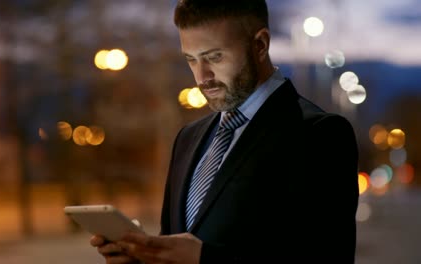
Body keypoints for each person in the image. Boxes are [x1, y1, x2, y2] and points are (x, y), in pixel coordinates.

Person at [90, 0, 360, 263]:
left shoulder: (320, 135)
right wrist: (143, 258)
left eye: (214, 57)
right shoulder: (188, 139)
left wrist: (205, 259)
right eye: (191, 60)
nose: (202, 77)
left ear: (260, 45)